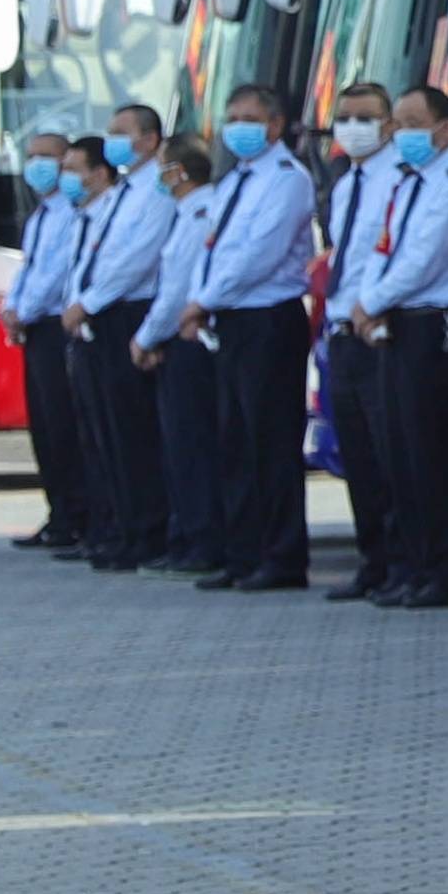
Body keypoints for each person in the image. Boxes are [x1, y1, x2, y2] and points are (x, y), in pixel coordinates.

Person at [342, 82, 448, 609]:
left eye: (410, 124)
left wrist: (373, 300)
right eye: (397, 125)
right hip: (398, 323)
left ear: (444, 129)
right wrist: (370, 301)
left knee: (433, 454)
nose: (399, 134)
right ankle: (415, 566)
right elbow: (382, 249)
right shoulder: (407, 183)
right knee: (400, 454)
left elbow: (425, 257)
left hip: (435, 326)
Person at [189, 85, 321, 594]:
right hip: (232, 318)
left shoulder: (287, 180)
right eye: (231, 116)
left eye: (248, 118)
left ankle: (282, 555)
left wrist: (205, 300)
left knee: (270, 442)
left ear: (273, 125)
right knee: (235, 441)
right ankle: (243, 553)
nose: (237, 126)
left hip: (268, 317)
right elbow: (215, 250)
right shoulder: (233, 181)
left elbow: (259, 255)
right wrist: (205, 300)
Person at [71, 105, 176, 574]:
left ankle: (147, 531)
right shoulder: (122, 190)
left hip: (129, 310)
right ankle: (123, 528)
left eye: (122, 133)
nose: (112, 141)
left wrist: (90, 302)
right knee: (110, 433)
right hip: (103, 313)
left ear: (151, 140)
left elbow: (137, 258)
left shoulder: (156, 187)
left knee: (134, 433)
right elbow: (100, 253)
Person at [137, 132, 229, 578]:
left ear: (179, 171)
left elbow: (177, 291)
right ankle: (189, 536)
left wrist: (147, 338)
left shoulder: (200, 213)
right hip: (181, 336)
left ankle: (203, 539)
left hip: (190, 340)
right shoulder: (187, 211)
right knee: (181, 447)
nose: (159, 176)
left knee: (193, 447)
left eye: (163, 167)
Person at [317, 87, 398, 594]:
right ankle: (373, 563)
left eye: (365, 118)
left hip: (379, 329)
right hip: (342, 330)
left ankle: (401, 562)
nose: (352, 127)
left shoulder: (399, 179)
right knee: (358, 456)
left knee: (390, 454)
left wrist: (371, 306)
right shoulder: (348, 183)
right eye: (344, 118)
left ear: (389, 124)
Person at [2, 129, 96, 556]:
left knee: (64, 424)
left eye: (48, 157)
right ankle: (58, 511)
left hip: (56, 322)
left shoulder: (70, 212)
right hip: (36, 327)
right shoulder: (41, 215)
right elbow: (29, 269)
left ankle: (77, 514)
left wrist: (26, 309)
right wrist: (12, 307)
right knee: (43, 425)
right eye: (31, 156)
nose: (37, 165)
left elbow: (56, 272)